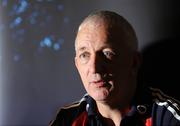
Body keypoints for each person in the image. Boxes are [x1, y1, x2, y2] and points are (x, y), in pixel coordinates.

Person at [49, 10, 180, 126]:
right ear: (77, 65)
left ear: (134, 62)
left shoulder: (167, 118)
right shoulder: (66, 119)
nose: (94, 68)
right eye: (84, 55)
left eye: (107, 53)